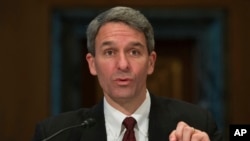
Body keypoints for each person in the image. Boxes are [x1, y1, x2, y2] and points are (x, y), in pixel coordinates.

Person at [33, 6, 223, 141]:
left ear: (151, 62)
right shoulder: (55, 134)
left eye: (134, 52)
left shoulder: (198, 124)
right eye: (109, 52)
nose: (123, 64)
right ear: (92, 64)